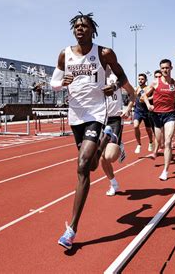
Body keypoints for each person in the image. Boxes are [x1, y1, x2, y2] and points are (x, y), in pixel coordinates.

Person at [50, 12, 134, 250]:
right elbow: (53, 83)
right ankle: (102, 144)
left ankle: (71, 230)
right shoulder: (64, 54)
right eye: (76, 26)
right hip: (75, 116)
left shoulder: (103, 53)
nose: (80, 29)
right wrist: (61, 83)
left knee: (82, 166)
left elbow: (122, 77)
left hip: (96, 114)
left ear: (92, 30)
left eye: (84, 26)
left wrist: (114, 86)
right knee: (92, 164)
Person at [143, 59, 175, 181]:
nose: (165, 70)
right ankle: (159, 150)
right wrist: (148, 104)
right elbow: (143, 96)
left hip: (170, 114)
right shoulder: (155, 83)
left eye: (167, 68)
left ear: (171, 68)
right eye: (163, 68)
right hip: (157, 115)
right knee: (159, 141)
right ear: (160, 69)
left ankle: (165, 171)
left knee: (168, 142)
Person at [100, 68, 133, 196]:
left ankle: (119, 146)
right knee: (102, 158)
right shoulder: (93, 77)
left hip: (114, 120)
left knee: (109, 157)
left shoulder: (118, 77)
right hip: (97, 120)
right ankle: (114, 183)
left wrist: (128, 108)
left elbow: (132, 93)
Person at [133, 73, 154, 154]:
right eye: (139, 79)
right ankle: (138, 144)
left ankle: (151, 142)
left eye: (142, 79)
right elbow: (134, 98)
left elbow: (152, 97)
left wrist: (147, 99)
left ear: (145, 80)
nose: (140, 80)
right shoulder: (136, 88)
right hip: (138, 111)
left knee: (148, 130)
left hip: (146, 112)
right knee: (135, 126)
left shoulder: (148, 88)